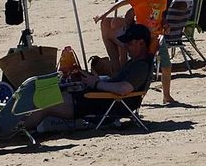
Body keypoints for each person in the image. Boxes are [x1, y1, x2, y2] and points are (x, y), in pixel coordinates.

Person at [21, 24, 154, 131]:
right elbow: (118, 84)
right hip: (98, 99)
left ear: (141, 43)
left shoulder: (140, 66)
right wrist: (93, 79)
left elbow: (123, 89)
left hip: (100, 103)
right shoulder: (135, 62)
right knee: (48, 94)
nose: (126, 46)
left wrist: (96, 84)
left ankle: (18, 129)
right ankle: (19, 125)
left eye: (129, 43)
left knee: (45, 103)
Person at [92, 0, 167, 66]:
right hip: (157, 34)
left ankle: (118, 68)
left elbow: (123, 2)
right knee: (116, 25)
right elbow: (159, 14)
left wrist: (104, 14)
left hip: (142, 37)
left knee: (108, 32)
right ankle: (121, 64)